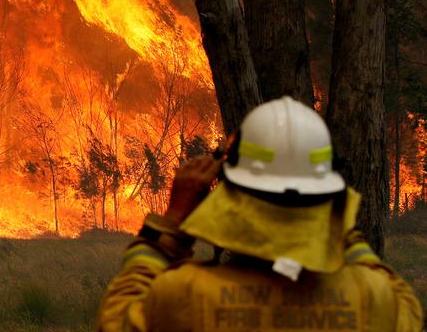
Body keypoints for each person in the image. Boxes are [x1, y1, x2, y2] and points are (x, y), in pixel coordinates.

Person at [97, 96, 423, 331]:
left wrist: (170, 225)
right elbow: (379, 274)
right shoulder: (377, 300)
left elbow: (117, 317)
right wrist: (335, 218)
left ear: (231, 193)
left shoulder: (185, 296)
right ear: (327, 197)